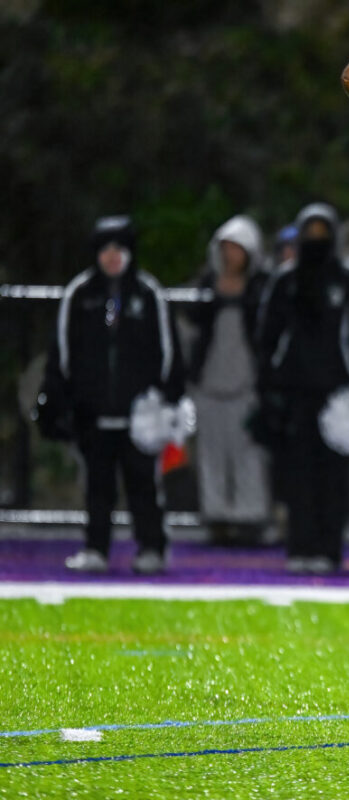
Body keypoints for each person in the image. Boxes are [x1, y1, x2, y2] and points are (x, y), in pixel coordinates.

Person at [35, 215, 185, 574]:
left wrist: (166, 398)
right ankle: (96, 548)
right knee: (96, 487)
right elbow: (62, 352)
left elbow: (169, 351)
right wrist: (59, 399)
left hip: (140, 415)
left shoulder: (148, 294)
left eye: (119, 248)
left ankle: (151, 547)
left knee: (143, 485)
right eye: (105, 249)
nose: (112, 256)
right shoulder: (80, 294)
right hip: (93, 412)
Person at [253, 203, 349, 573]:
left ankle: (328, 549)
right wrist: (269, 388)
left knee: (333, 477)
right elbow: (267, 338)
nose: (316, 242)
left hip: (338, 395)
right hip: (295, 392)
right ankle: (300, 547)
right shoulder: (285, 282)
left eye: (323, 235)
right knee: (296, 475)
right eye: (310, 235)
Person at [186, 215, 271, 546]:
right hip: (209, 382)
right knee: (211, 453)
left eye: (237, 248)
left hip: (246, 383)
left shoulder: (262, 287)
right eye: (225, 248)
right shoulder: (206, 284)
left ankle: (250, 515)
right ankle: (217, 515)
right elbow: (193, 321)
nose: (230, 255)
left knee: (248, 452)